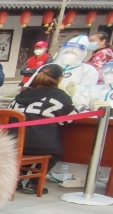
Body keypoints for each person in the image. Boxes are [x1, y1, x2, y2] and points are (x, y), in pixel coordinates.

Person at [9, 63, 74, 193]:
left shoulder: (21, 94)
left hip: (13, 142)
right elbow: (70, 118)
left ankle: (16, 179)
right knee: (54, 151)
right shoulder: (59, 95)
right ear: (59, 79)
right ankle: (34, 183)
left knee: (27, 145)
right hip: (40, 144)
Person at [51, 34, 98, 99]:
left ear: (82, 54)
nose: (69, 55)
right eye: (66, 52)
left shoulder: (88, 70)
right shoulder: (51, 66)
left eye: (74, 53)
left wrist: (71, 92)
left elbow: (87, 92)